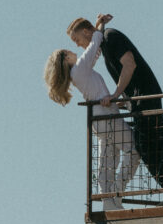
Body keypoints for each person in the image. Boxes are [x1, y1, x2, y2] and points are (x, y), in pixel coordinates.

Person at [66, 15, 163, 205]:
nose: (78, 45)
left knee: (150, 146)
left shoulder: (110, 37)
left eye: (77, 40)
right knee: (153, 145)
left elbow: (129, 64)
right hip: (138, 99)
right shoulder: (104, 42)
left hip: (145, 97)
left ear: (85, 32)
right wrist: (122, 99)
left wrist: (116, 94)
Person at [44, 18, 140, 211]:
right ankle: (116, 192)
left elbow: (94, 52)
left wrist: (112, 99)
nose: (73, 49)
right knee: (134, 150)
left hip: (100, 119)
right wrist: (99, 27)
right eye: (68, 51)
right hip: (106, 117)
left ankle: (109, 202)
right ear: (65, 59)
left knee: (107, 162)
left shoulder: (80, 71)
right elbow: (95, 45)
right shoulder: (79, 69)